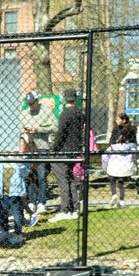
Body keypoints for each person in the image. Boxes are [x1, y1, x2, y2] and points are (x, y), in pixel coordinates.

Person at [49, 88, 87, 222]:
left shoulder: (65, 114)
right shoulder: (80, 113)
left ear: (65, 98)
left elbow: (60, 134)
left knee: (63, 180)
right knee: (70, 178)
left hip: (63, 150)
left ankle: (65, 209)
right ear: (75, 98)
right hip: (74, 150)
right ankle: (74, 209)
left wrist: (54, 150)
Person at [19, 91, 57, 214]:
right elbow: (19, 130)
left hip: (42, 148)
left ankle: (41, 202)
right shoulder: (24, 114)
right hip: (29, 148)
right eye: (29, 103)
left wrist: (38, 129)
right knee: (29, 176)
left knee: (41, 176)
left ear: (37, 101)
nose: (31, 106)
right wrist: (25, 132)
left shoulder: (46, 111)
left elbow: (55, 127)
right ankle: (31, 201)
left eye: (32, 103)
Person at [103, 113, 136, 209]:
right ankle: (122, 201)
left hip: (115, 160)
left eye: (118, 119)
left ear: (124, 120)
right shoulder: (128, 130)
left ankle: (114, 194)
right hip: (125, 163)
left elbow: (111, 143)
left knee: (113, 179)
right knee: (121, 181)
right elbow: (134, 146)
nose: (116, 121)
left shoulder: (125, 129)